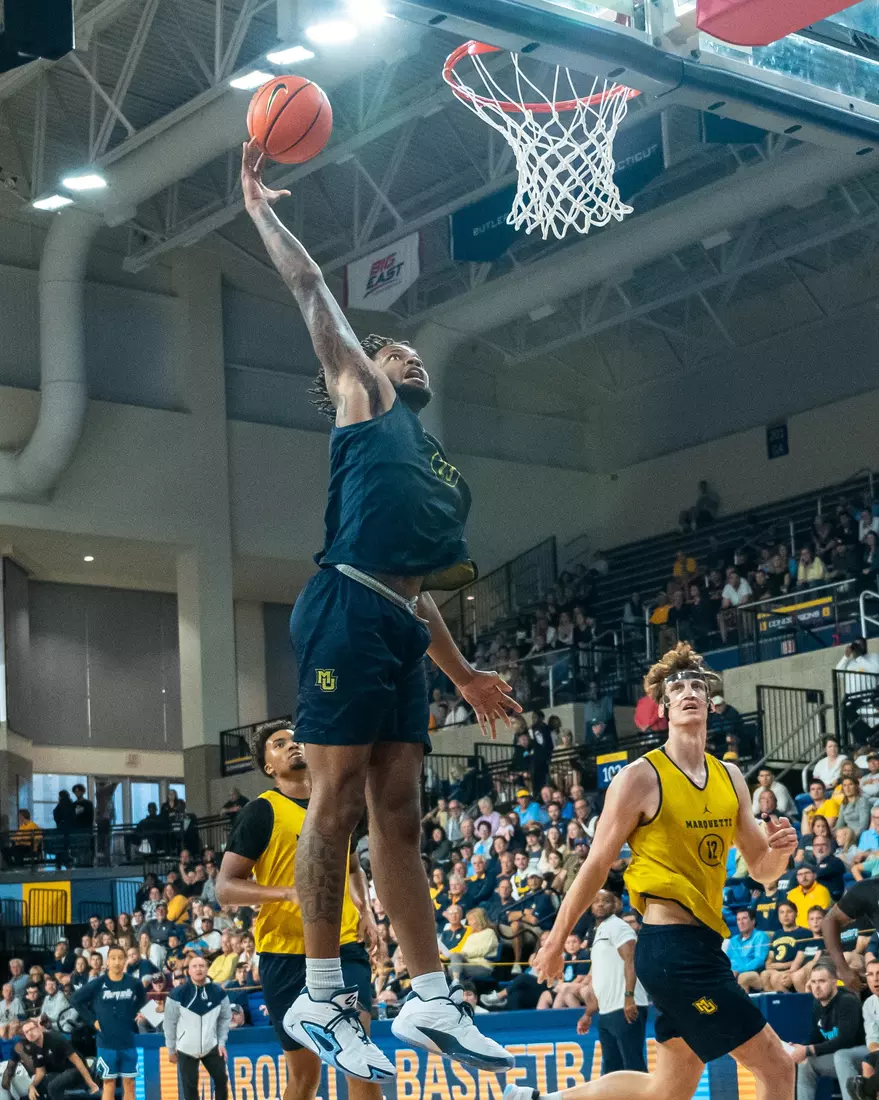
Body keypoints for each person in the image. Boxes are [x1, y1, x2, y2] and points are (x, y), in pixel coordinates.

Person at [241, 139, 517, 1079]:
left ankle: (431, 1000)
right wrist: (258, 208)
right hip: (345, 608)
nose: (404, 352)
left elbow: (420, 590)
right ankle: (321, 998)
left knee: (399, 812)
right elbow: (314, 290)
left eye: (406, 349)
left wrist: (465, 674)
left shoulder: (435, 463)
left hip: (396, 620)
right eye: (390, 345)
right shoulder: (361, 397)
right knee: (338, 800)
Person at [503, 643, 798, 1100]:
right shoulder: (640, 777)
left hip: (702, 946)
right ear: (662, 708)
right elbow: (595, 865)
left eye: (697, 686)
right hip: (672, 952)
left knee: (665, 1090)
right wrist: (556, 939)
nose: (688, 693)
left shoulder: (731, 777)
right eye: (676, 688)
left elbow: (762, 870)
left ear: (710, 703)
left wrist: (781, 851)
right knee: (778, 1068)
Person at [216, 722, 386, 1096]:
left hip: (344, 947)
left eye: (297, 740)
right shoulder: (262, 811)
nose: (292, 746)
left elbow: (354, 866)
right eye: (279, 744)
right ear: (268, 767)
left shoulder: (337, 803)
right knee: (305, 1078)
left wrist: (366, 911)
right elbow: (225, 888)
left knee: (360, 1062)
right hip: (286, 953)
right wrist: (286, 894)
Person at [577, 891, 648, 1074]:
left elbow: (630, 960)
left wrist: (629, 997)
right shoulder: (599, 931)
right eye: (597, 901)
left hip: (625, 1007)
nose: (601, 905)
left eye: (606, 901)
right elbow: (603, 980)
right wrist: (588, 1013)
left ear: (615, 905)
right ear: (591, 906)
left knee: (633, 1067)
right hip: (607, 1011)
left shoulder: (618, 926)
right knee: (611, 1072)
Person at [72, 944, 145, 1100]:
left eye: (120, 958)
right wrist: (93, 1021)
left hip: (127, 1041)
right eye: (113, 958)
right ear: (108, 961)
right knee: (109, 1084)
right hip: (106, 1042)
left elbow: (142, 999)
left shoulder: (134, 983)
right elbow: (75, 1000)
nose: (117, 962)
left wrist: (132, 1013)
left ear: (125, 960)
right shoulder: (98, 983)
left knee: (130, 1083)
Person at [792, 959, 865, 1100]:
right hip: (840, 1059)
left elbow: (845, 1040)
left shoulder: (847, 1001)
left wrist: (809, 1049)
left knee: (842, 1055)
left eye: (822, 981)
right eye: (813, 982)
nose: (817, 987)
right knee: (804, 1063)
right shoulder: (817, 1004)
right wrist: (801, 1048)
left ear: (834, 982)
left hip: (865, 1055)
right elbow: (815, 1035)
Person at [163, 955, 231, 1100]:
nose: (198, 969)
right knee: (190, 1089)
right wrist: (170, 1049)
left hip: (211, 1046)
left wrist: (221, 1042)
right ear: (189, 971)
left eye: (202, 966)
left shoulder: (218, 992)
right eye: (194, 966)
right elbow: (169, 1023)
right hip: (186, 1048)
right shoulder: (177, 994)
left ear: (207, 969)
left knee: (221, 1080)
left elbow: (225, 1017)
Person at [13, 1018, 100, 1100]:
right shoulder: (34, 1048)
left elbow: (77, 1061)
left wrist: (90, 1083)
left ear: (39, 1028)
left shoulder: (55, 1039)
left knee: (52, 1087)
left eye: (32, 1029)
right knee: (37, 1087)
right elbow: (41, 1071)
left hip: (75, 1069)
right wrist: (32, 1086)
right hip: (60, 1072)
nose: (30, 1033)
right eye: (27, 1032)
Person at [842, 958, 879, 1100]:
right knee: (868, 1062)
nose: (876, 979)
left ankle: (864, 1090)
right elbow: (872, 1038)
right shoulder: (869, 1004)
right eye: (870, 974)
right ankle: (864, 1090)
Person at [725, 909, 771, 993]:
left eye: (744, 918)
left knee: (743, 977)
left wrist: (739, 971)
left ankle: (743, 1006)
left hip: (756, 973)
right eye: (738, 919)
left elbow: (759, 960)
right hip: (734, 973)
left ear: (753, 921)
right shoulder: (733, 940)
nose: (741, 922)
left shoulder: (760, 936)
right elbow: (727, 961)